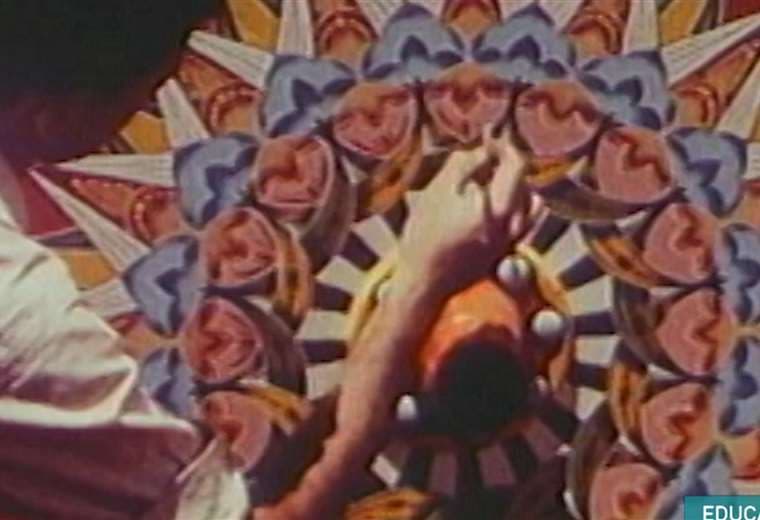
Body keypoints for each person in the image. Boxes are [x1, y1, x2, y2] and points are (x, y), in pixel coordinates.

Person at [0, 2, 531, 518]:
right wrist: (419, 284)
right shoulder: (26, 324)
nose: (151, 104)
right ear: (49, 117)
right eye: (148, 91)